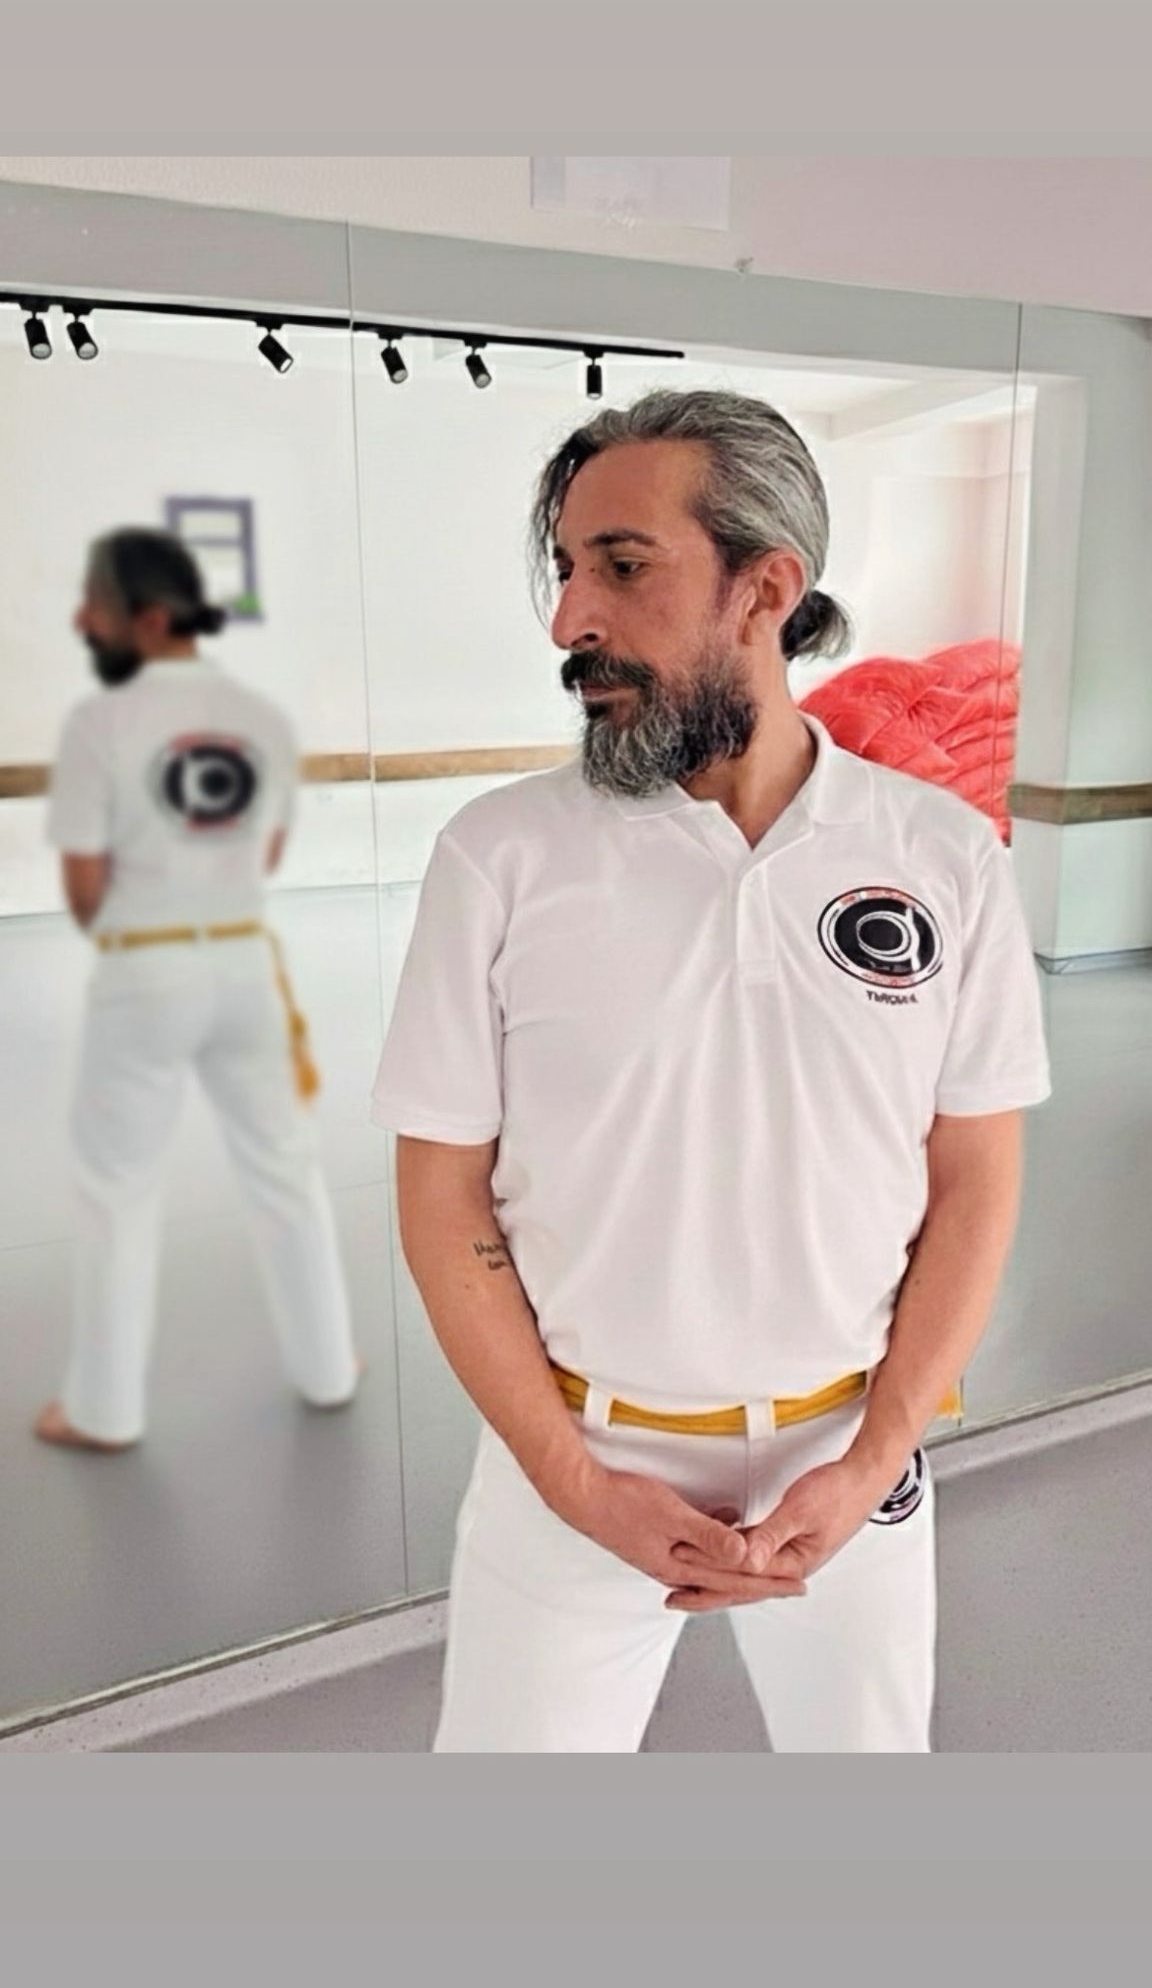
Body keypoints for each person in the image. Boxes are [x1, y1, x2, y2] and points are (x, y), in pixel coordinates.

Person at [370, 389, 1051, 1752]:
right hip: (573, 1469)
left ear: (766, 588)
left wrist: (874, 1456)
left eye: (622, 566)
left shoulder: (941, 858)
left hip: (849, 1468)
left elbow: (974, 1182)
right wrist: (574, 1483)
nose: (570, 619)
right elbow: (443, 1194)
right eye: (568, 569)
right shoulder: (499, 858)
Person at [37, 528, 359, 1451]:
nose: (81, 621)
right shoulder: (259, 716)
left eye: (95, 605)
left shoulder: (100, 724)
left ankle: (103, 1409)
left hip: (144, 966)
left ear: (144, 617)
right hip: (245, 962)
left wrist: (147, 932)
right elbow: (266, 851)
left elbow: (84, 885)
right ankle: (330, 1367)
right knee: (287, 1170)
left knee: (116, 1189)